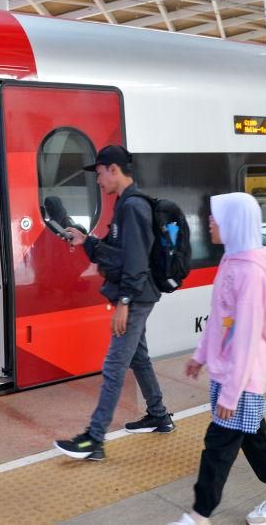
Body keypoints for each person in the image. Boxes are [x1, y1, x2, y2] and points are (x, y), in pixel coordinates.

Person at [171, 193, 266, 525]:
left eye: (216, 216)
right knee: (255, 440)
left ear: (234, 222)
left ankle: (198, 516)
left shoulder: (251, 273)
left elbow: (246, 339)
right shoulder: (231, 261)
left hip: (242, 378)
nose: (209, 221)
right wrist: (201, 356)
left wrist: (231, 393)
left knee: (218, 447)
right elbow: (219, 319)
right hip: (229, 372)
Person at [54, 145, 173, 461]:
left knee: (114, 365)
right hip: (138, 293)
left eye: (99, 174)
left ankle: (94, 439)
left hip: (135, 295)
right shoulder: (126, 204)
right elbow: (118, 252)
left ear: (113, 170)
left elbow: (136, 261)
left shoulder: (133, 206)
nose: (98, 180)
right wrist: (86, 240)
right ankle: (159, 415)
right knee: (138, 356)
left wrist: (124, 301)